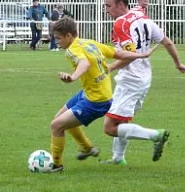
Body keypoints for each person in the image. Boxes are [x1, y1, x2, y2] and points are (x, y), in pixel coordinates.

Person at [49, 16, 156, 172]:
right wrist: (141, 55)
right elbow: (119, 54)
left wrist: (72, 77)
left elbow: (84, 63)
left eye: (58, 38)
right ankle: (87, 148)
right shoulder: (90, 43)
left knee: (56, 126)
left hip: (95, 101)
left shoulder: (72, 50)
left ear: (69, 36)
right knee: (60, 120)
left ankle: (56, 166)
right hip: (90, 93)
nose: (57, 42)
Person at [102, 0, 185, 166]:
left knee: (109, 127)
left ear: (120, 5)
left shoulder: (120, 23)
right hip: (144, 77)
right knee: (121, 119)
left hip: (130, 79)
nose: (106, 10)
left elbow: (129, 56)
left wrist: (109, 69)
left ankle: (155, 135)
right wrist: (178, 63)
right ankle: (118, 158)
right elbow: (167, 42)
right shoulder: (141, 15)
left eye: (108, 6)